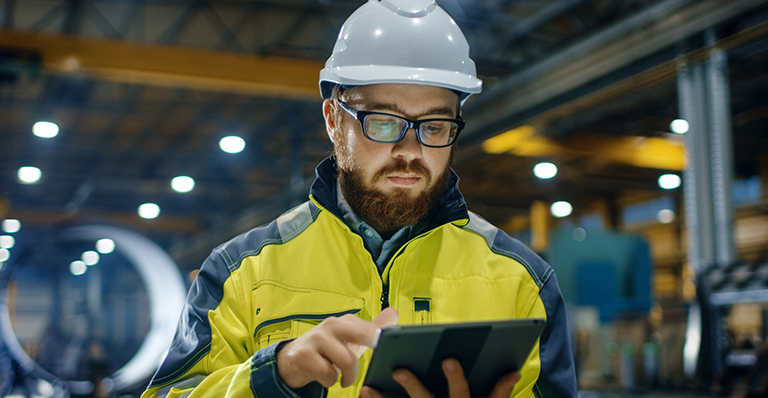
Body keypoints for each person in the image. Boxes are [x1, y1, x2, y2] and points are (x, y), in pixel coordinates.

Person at [142, 0, 577, 397]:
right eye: (384, 122)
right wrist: (277, 373)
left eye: (434, 126)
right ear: (334, 120)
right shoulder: (241, 272)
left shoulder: (523, 283)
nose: (410, 150)